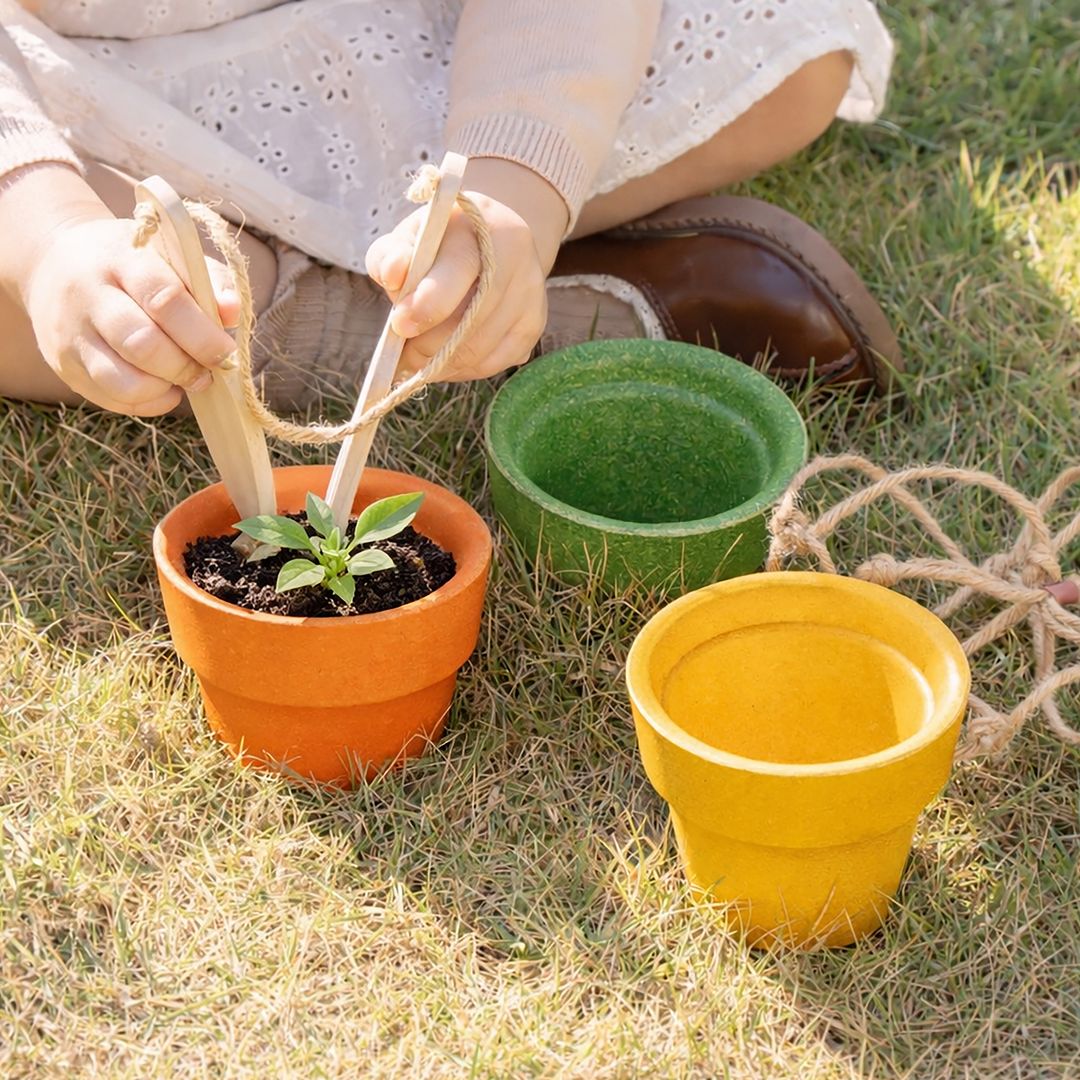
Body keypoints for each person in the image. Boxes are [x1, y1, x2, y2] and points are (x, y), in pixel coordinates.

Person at [0, 0, 900, 419]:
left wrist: (513, 189)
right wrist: (51, 239)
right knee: (61, 295)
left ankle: (470, 268)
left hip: (430, 48)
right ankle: (334, 327)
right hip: (80, 112)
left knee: (796, 62)